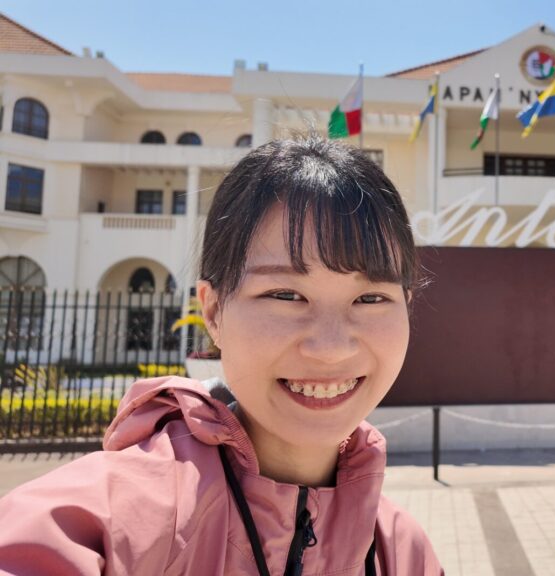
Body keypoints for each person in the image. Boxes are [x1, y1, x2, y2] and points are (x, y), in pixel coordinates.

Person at [0, 138, 444, 574]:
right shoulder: (122, 519)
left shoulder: (402, 552)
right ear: (212, 310)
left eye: (370, 298)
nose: (330, 348)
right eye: (286, 294)